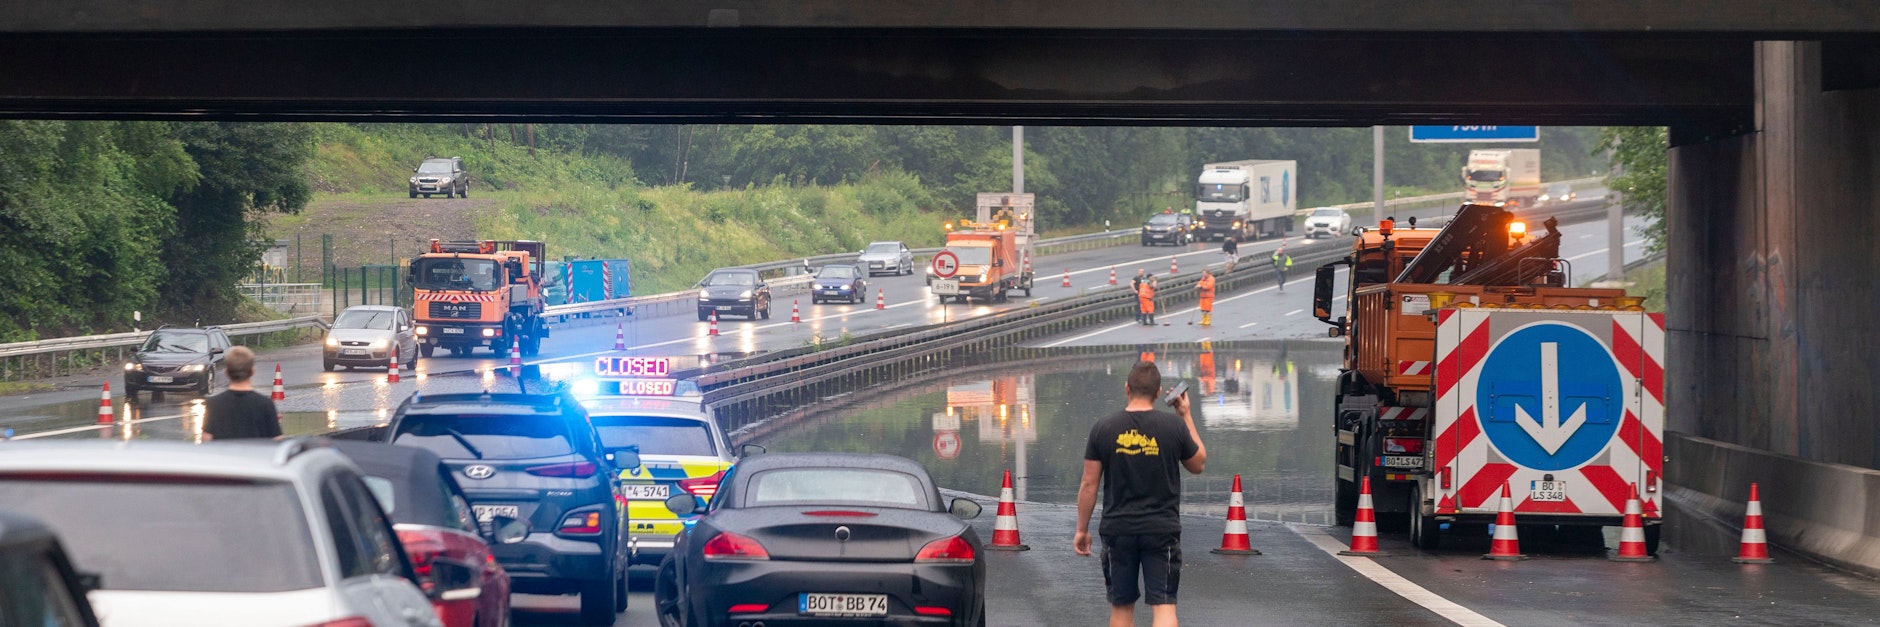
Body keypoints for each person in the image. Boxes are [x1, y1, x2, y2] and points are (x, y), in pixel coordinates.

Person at [1074, 360, 1207, 627]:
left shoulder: (1104, 428)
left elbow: (1089, 484)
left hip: (1117, 530)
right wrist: (1185, 415)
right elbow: (1198, 464)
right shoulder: (1174, 427)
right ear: (1159, 393)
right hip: (1162, 530)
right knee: (1164, 605)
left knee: (1121, 609)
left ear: (1127, 388)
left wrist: (1082, 529)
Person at [201, 346, 282, 441]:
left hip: (224, 455)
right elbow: (276, 441)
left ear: (226, 372)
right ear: (252, 371)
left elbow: (206, 440)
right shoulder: (265, 404)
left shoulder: (213, 404)